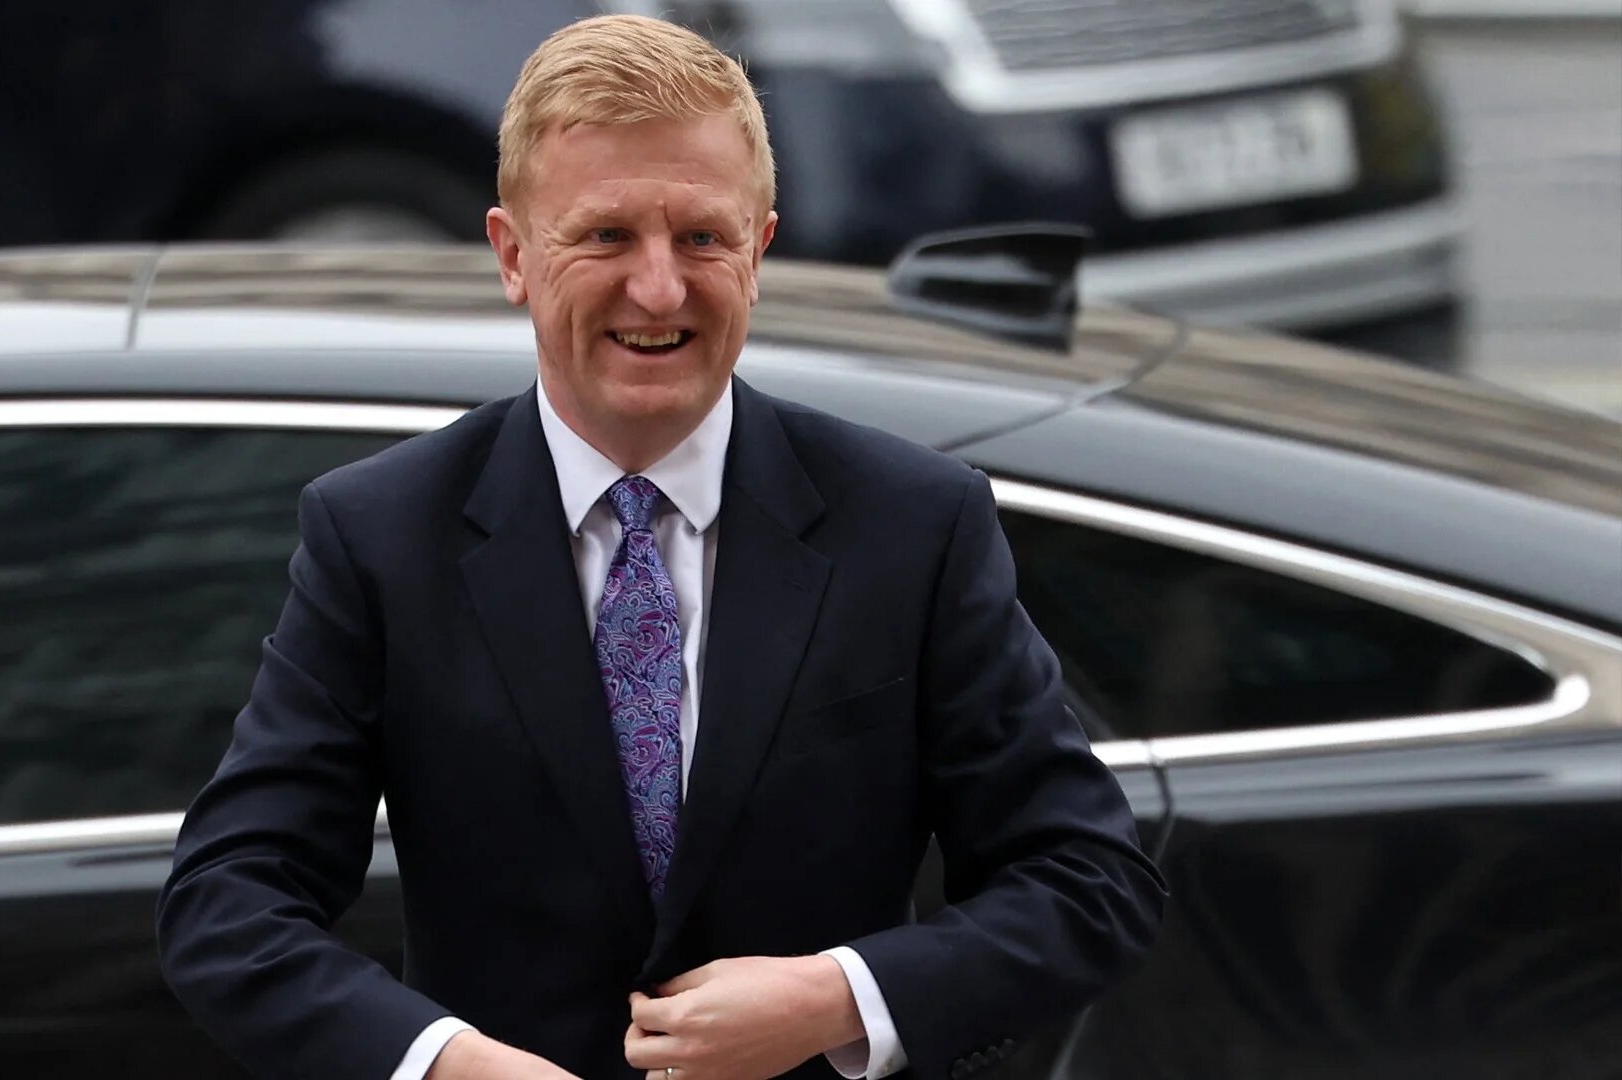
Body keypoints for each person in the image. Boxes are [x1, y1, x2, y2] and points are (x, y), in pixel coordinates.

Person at [156, 14, 1166, 1080]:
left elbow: (1087, 878)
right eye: (604, 237)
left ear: (760, 248)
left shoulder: (911, 522)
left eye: (701, 238)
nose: (658, 289)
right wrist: (448, 1066)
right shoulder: (380, 536)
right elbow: (229, 905)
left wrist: (837, 998)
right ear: (512, 254)